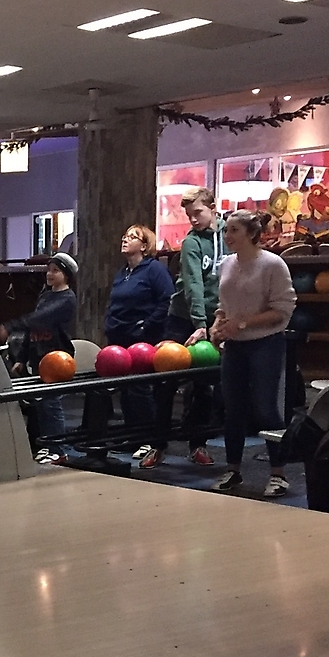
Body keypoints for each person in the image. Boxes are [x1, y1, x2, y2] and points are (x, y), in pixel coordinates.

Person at [208, 210, 297, 496]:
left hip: (265, 343)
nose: (227, 236)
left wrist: (243, 323)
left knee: (265, 408)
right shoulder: (226, 264)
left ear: (252, 234)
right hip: (235, 346)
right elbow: (224, 305)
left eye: (234, 230)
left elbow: (283, 310)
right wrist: (218, 324)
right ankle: (233, 470)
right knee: (233, 408)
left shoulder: (273, 264)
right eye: (226, 230)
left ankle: (278, 474)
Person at [142, 189, 223, 469]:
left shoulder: (228, 236)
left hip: (213, 319)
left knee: (204, 385)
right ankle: (158, 445)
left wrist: (218, 321)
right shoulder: (191, 243)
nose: (193, 219)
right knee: (166, 382)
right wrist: (199, 324)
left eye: (198, 213)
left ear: (213, 207)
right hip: (181, 318)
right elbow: (193, 285)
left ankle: (197, 444)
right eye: (189, 215)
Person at [0, 252, 77, 462]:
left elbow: (40, 318)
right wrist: (21, 358)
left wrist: (11, 326)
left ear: (66, 275)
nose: (50, 274)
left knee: (51, 403)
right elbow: (30, 331)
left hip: (57, 358)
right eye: (48, 270)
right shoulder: (45, 296)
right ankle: (46, 445)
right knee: (42, 404)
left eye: (56, 271)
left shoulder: (67, 299)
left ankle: (58, 450)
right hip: (38, 357)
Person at [102, 223, 174, 433]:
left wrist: (146, 325)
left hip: (142, 338)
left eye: (132, 237)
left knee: (139, 388)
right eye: (125, 236)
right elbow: (115, 302)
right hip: (119, 335)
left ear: (144, 246)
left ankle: (147, 438)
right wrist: (109, 323)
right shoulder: (122, 272)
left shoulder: (154, 269)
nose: (125, 239)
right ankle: (131, 435)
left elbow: (167, 300)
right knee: (125, 388)